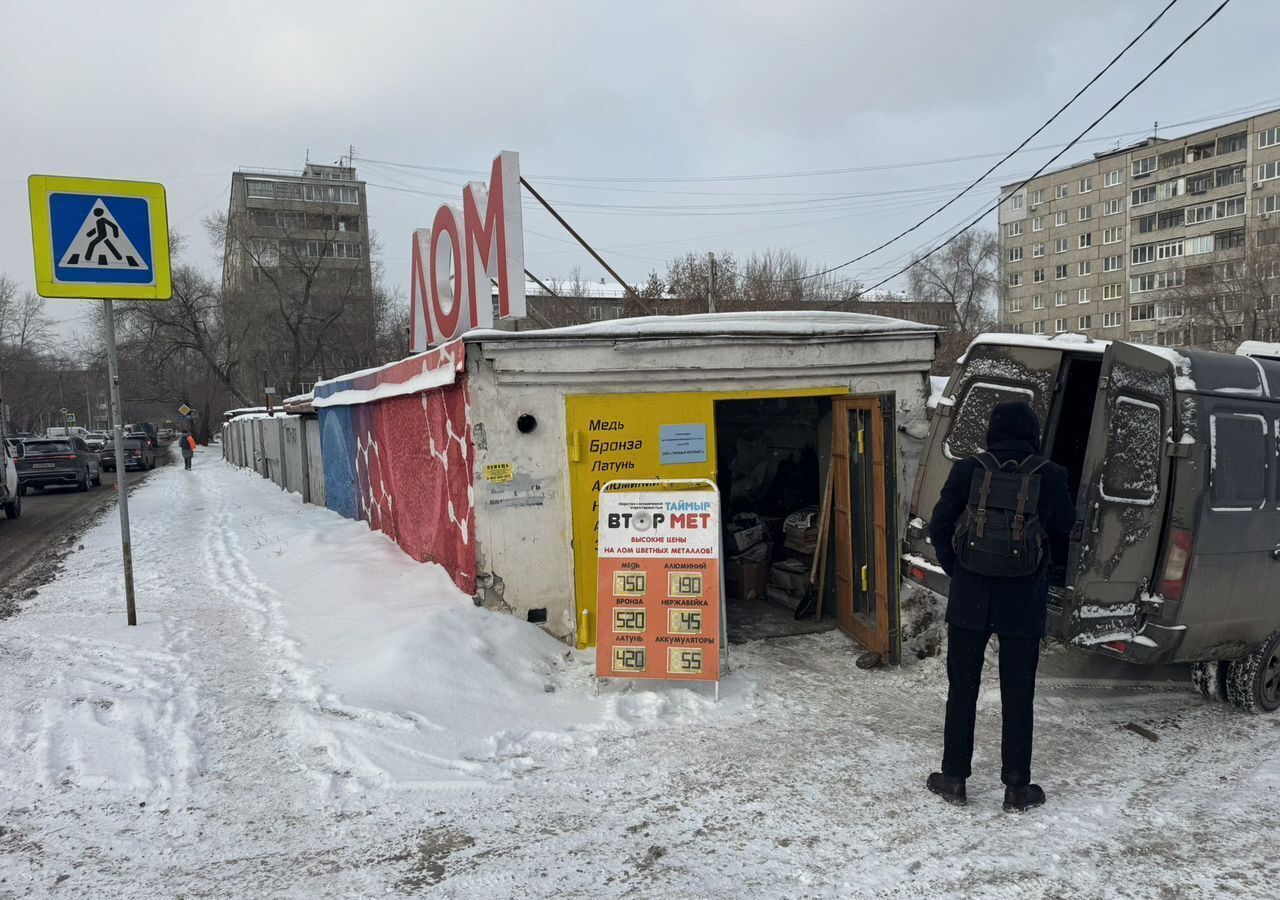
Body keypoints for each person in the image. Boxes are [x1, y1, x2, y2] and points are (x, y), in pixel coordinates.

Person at [926, 401, 1075, 812]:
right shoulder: (1052, 474)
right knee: (1018, 694)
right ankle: (1016, 789)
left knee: (962, 690)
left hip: (970, 600)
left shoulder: (968, 469)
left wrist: (961, 570)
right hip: (1023, 602)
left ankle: (954, 779)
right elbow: (1064, 529)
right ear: (1032, 433)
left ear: (992, 430)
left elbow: (939, 525)